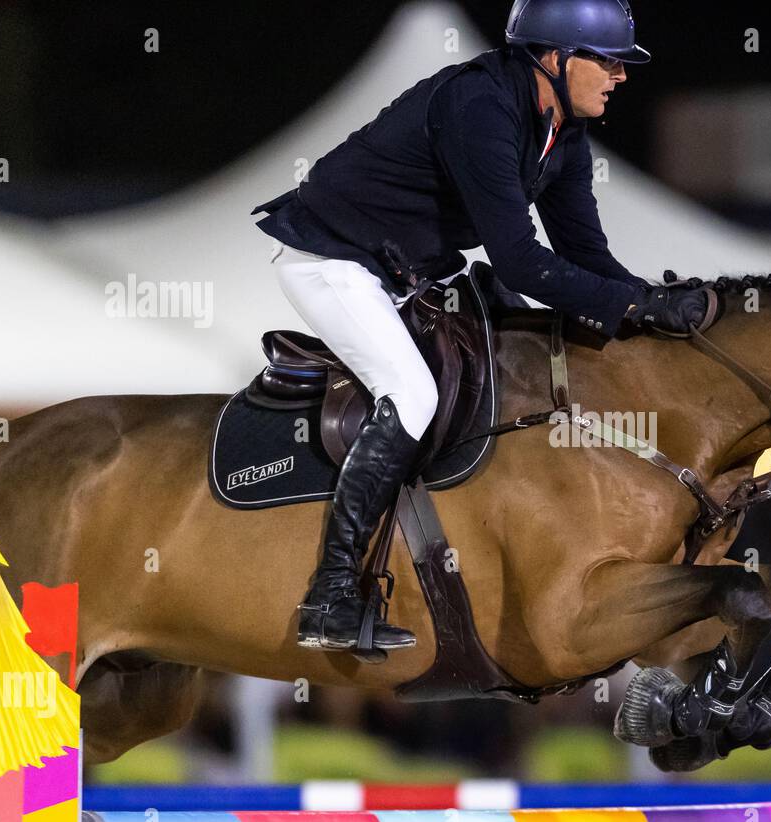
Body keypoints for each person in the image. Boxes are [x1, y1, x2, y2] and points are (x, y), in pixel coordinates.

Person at [251, 0, 716, 658]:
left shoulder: (561, 130)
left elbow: (584, 254)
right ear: (554, 58)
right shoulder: (482, 107)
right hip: (332, 261)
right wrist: (637, 310)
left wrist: (651, 302)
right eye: (608, 62)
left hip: (404, 275)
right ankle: (329, 597)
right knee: (412, 395)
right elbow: (522, 262)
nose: (621, 76)